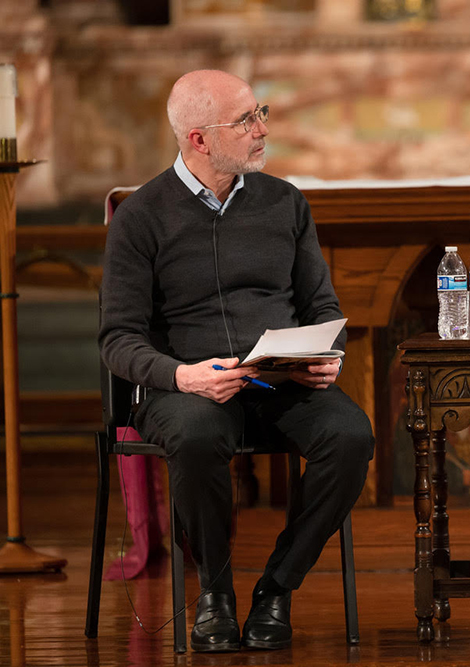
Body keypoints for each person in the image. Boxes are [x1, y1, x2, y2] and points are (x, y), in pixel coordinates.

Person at [99, 70, 375, 652]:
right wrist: (183, 375)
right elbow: (118, 339)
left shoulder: (284, 202)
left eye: (261, 112)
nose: (261, 129)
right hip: (187, 389)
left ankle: (276, 588)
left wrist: (327, 356)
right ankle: (215, 596)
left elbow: (320, 303)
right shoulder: (141, 217)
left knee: (350, 434)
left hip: (277, 384)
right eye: (246, 120)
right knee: (197, 436)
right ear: (199, 139)